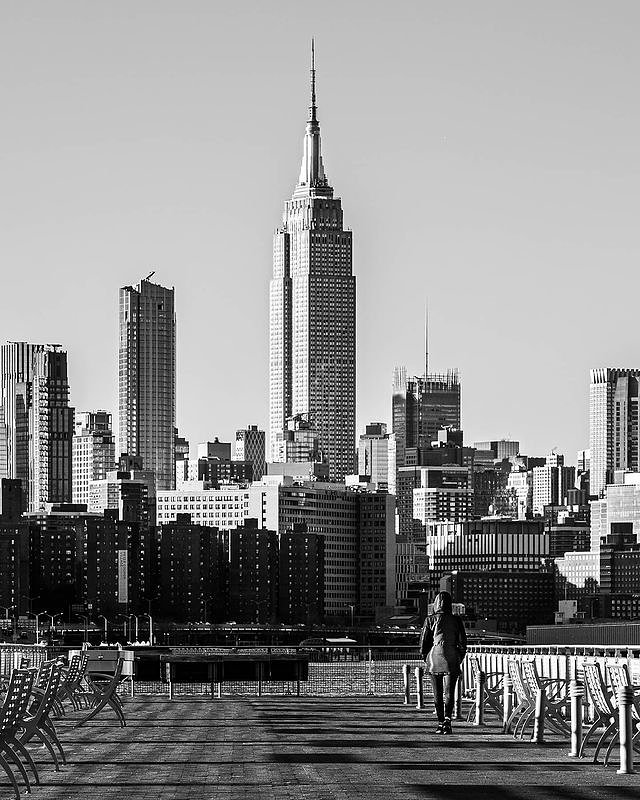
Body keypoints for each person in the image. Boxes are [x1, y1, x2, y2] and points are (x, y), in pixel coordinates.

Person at [419, 591, 467, 735]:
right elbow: (463, 643)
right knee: (449, 693)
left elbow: (423, 644)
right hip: (452, 658)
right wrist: (459, 657)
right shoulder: (456, 620)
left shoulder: (430, 620)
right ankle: (448, 721)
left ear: (435, 604)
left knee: (437, 694)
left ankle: (440, 723)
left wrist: (426, 658)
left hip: (434, 659)